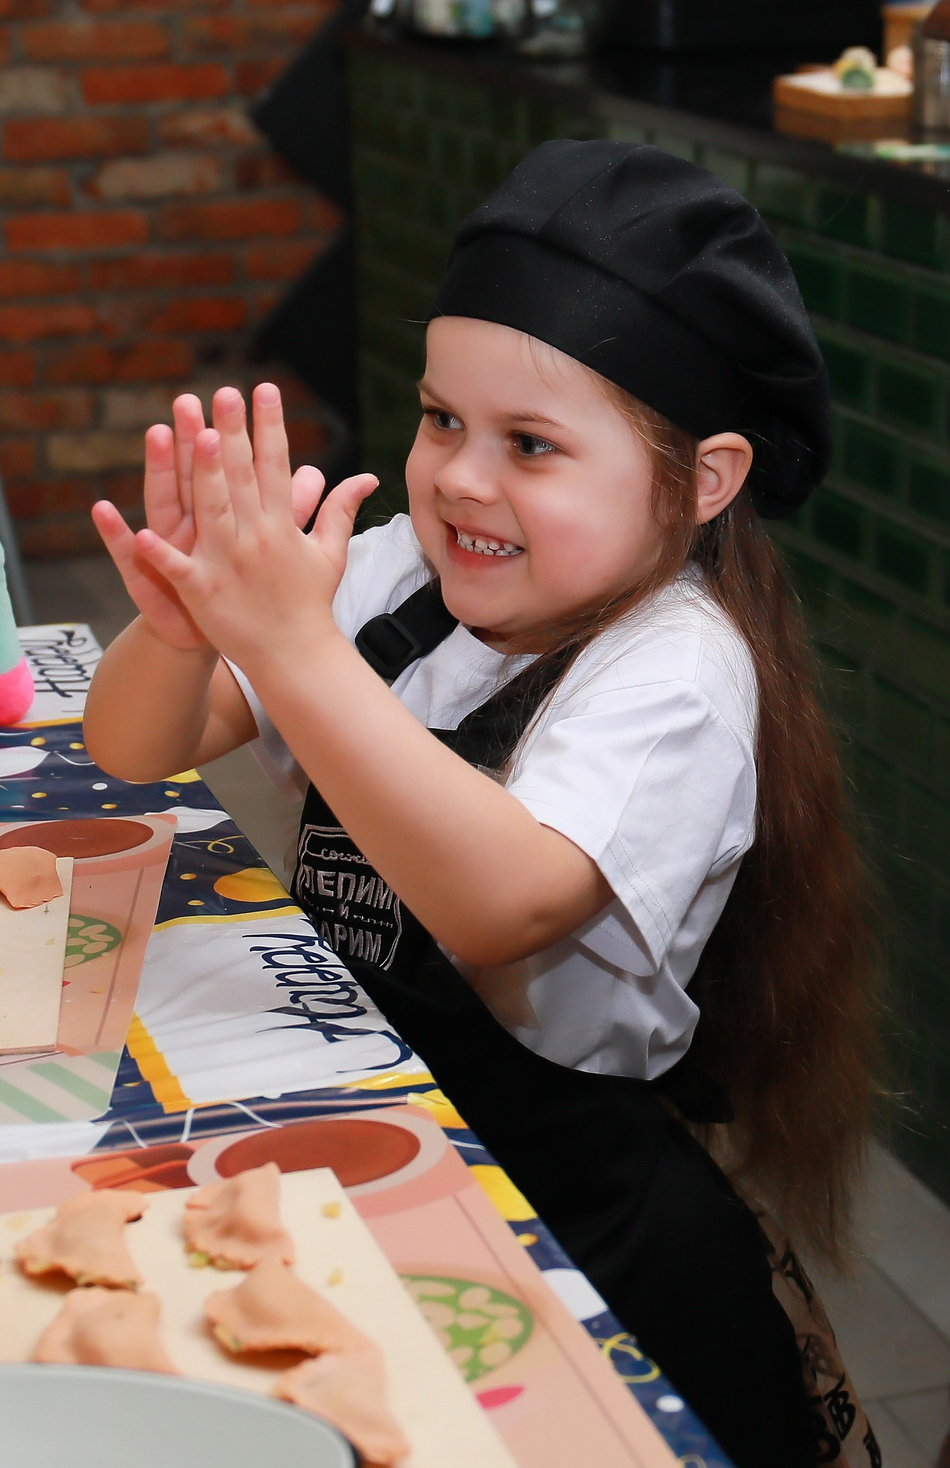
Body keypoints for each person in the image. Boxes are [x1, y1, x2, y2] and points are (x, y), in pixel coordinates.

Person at [81, 140, 874, 1468]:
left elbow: (501, 899)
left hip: (572, 1229)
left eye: (532, 444)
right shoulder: (399, 578)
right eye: (442, 417)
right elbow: (133, 744)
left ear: (707, 480)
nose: (458, 478)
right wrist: (180, 624)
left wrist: (288, 646)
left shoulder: (675, 672)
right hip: (376, 1162)